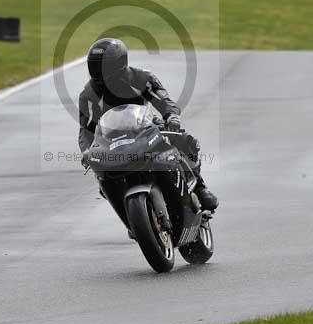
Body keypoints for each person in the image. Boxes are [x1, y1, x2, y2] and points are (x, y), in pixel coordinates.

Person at [78, 38, 218, 211]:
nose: (98, 71)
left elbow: (165, 101)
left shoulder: (142, 78)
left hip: (145, 126)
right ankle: (128, 213)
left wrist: (171, 117)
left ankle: (199, 187)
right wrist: (86, 150)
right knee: (101, 172)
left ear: (119, 63)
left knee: (184, 140)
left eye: (103, 66)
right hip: (111, 137)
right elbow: (86, 128)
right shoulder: (88, 93)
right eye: (95, 66)